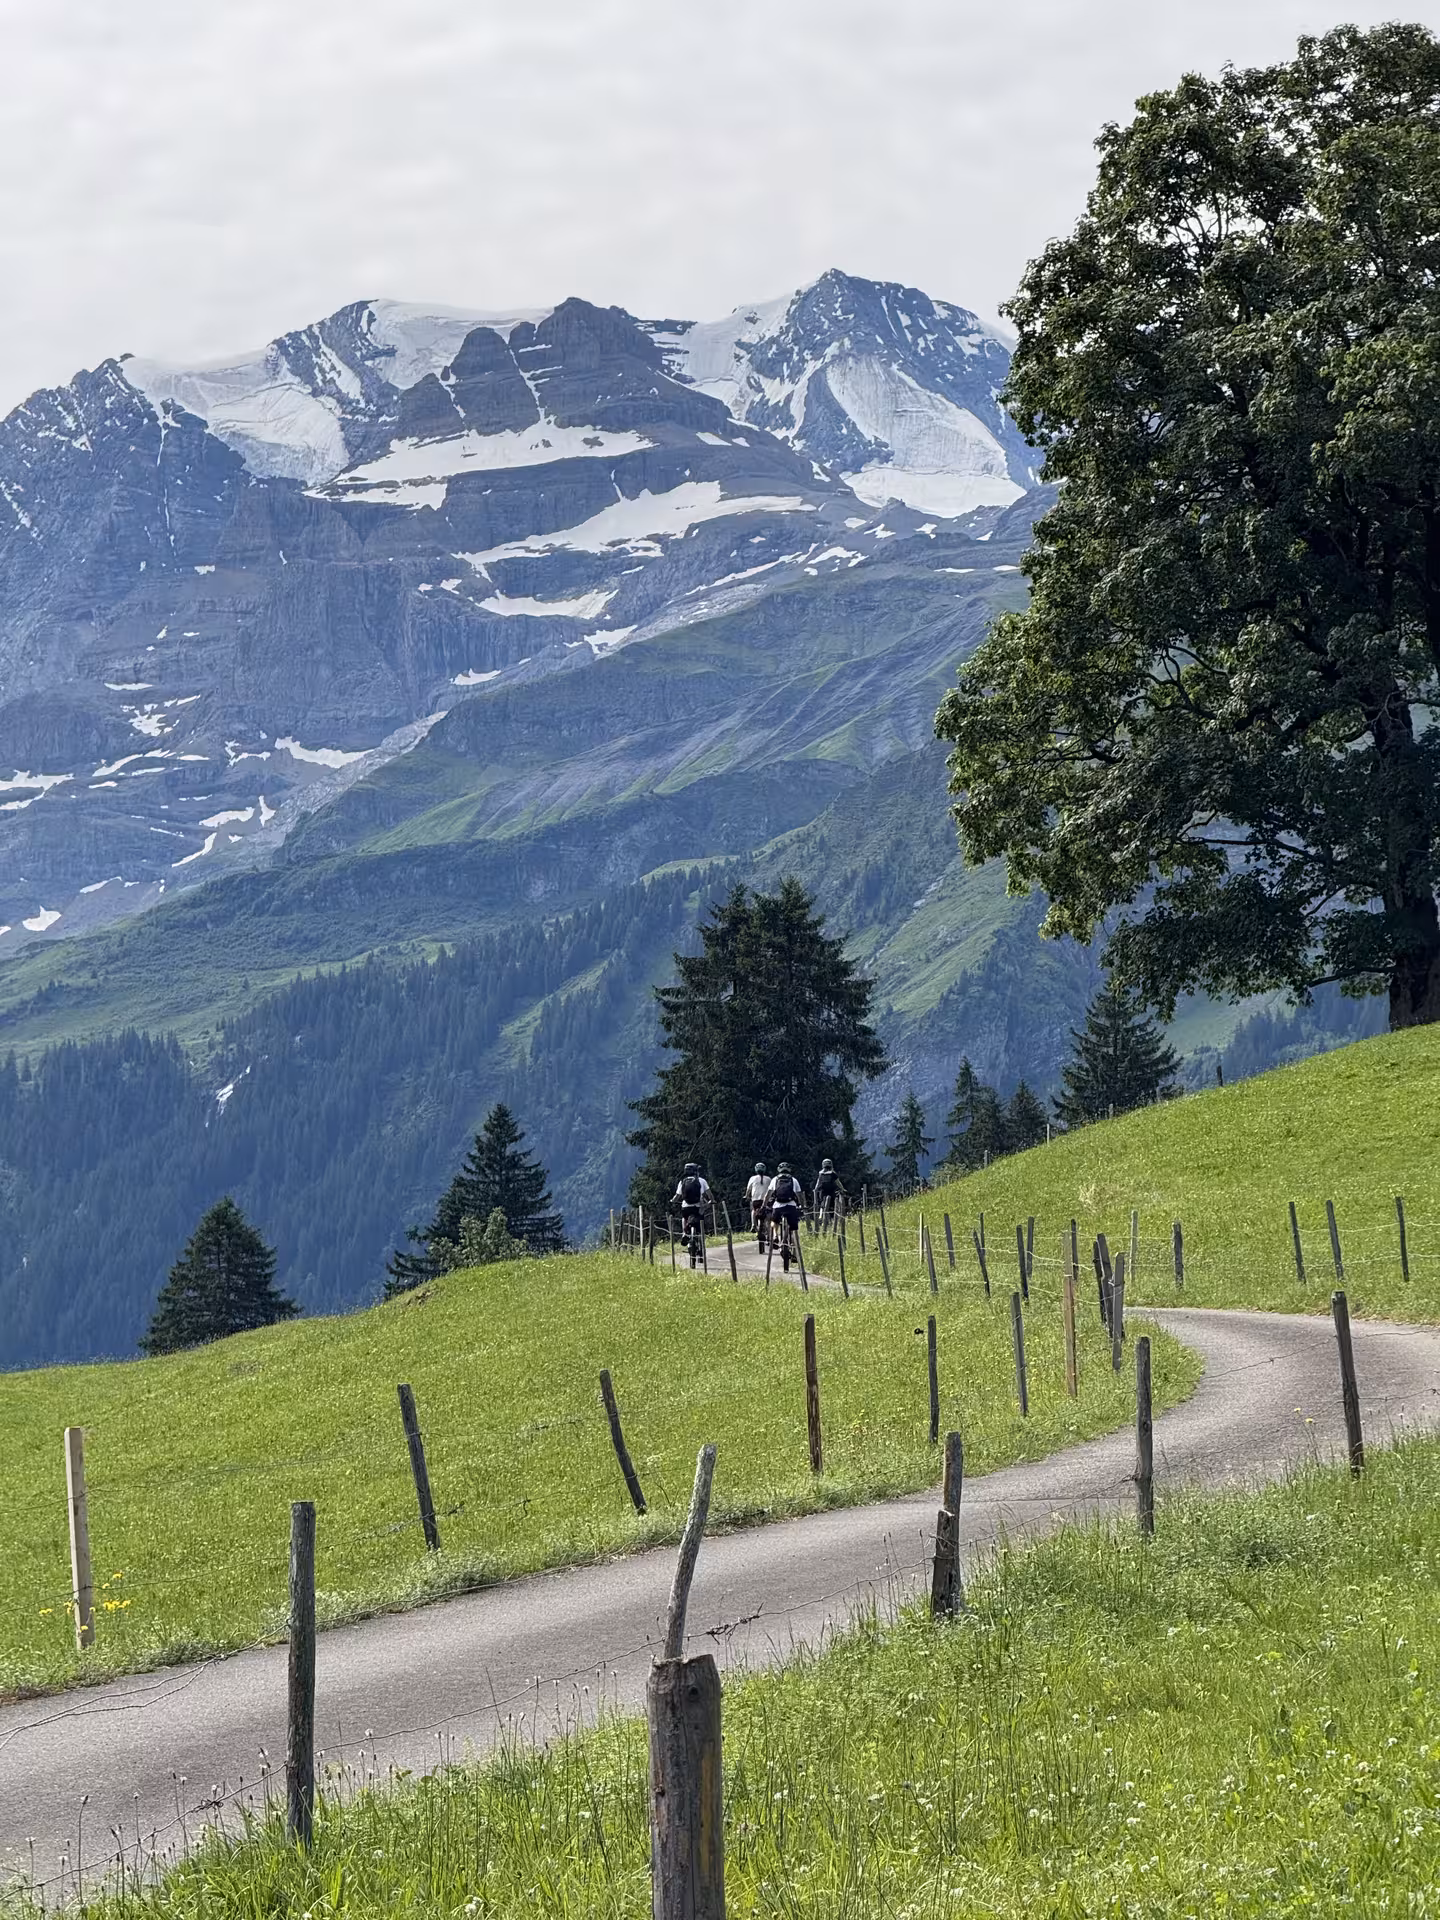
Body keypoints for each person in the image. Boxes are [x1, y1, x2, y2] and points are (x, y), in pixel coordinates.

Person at [766, 1162, 802, 1264]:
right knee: (793, 1230)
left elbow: (768, 1194)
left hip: (777, 1206)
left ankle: (775, 1236)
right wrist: (802, 1205)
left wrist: (765, 1204)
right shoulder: (793, 1180)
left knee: (774, 1221)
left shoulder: (775, 1179)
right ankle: (794, 1253)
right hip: (791, 1206)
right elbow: (799, 1194)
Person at [672, 1162, 712, 1255]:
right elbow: (709, 1194)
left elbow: (677, 1196)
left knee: (684, 1218)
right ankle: (701, 1242)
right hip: (698, 1207)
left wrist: (672, 1201)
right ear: (696, 1171)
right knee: (701, 1221)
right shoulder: (701, 1181)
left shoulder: (682, 1181)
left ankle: (684, 1233)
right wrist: (712, 1200)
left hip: (686, 1207)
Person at [813, 1157, 845, 1233]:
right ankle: (830, 1220)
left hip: (822, 1192)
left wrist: (816, 1189)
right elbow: (838, 1183)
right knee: (832, 1206)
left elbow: (818, 1183)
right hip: (831, 1192)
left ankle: (821, 1216)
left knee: (822, 1204)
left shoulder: (820, 1173)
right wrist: (842, 1189)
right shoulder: (833, 1173)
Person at [745, 1162, 770, 1247]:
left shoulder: (752, 1178)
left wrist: (746, 1196)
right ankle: (768, 1234)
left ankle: (753, 1225)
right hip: (766, 1201)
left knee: (753, 1210)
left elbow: (748, 1189)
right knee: (767, 1216)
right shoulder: (768, 1179)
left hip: (755, 1200)